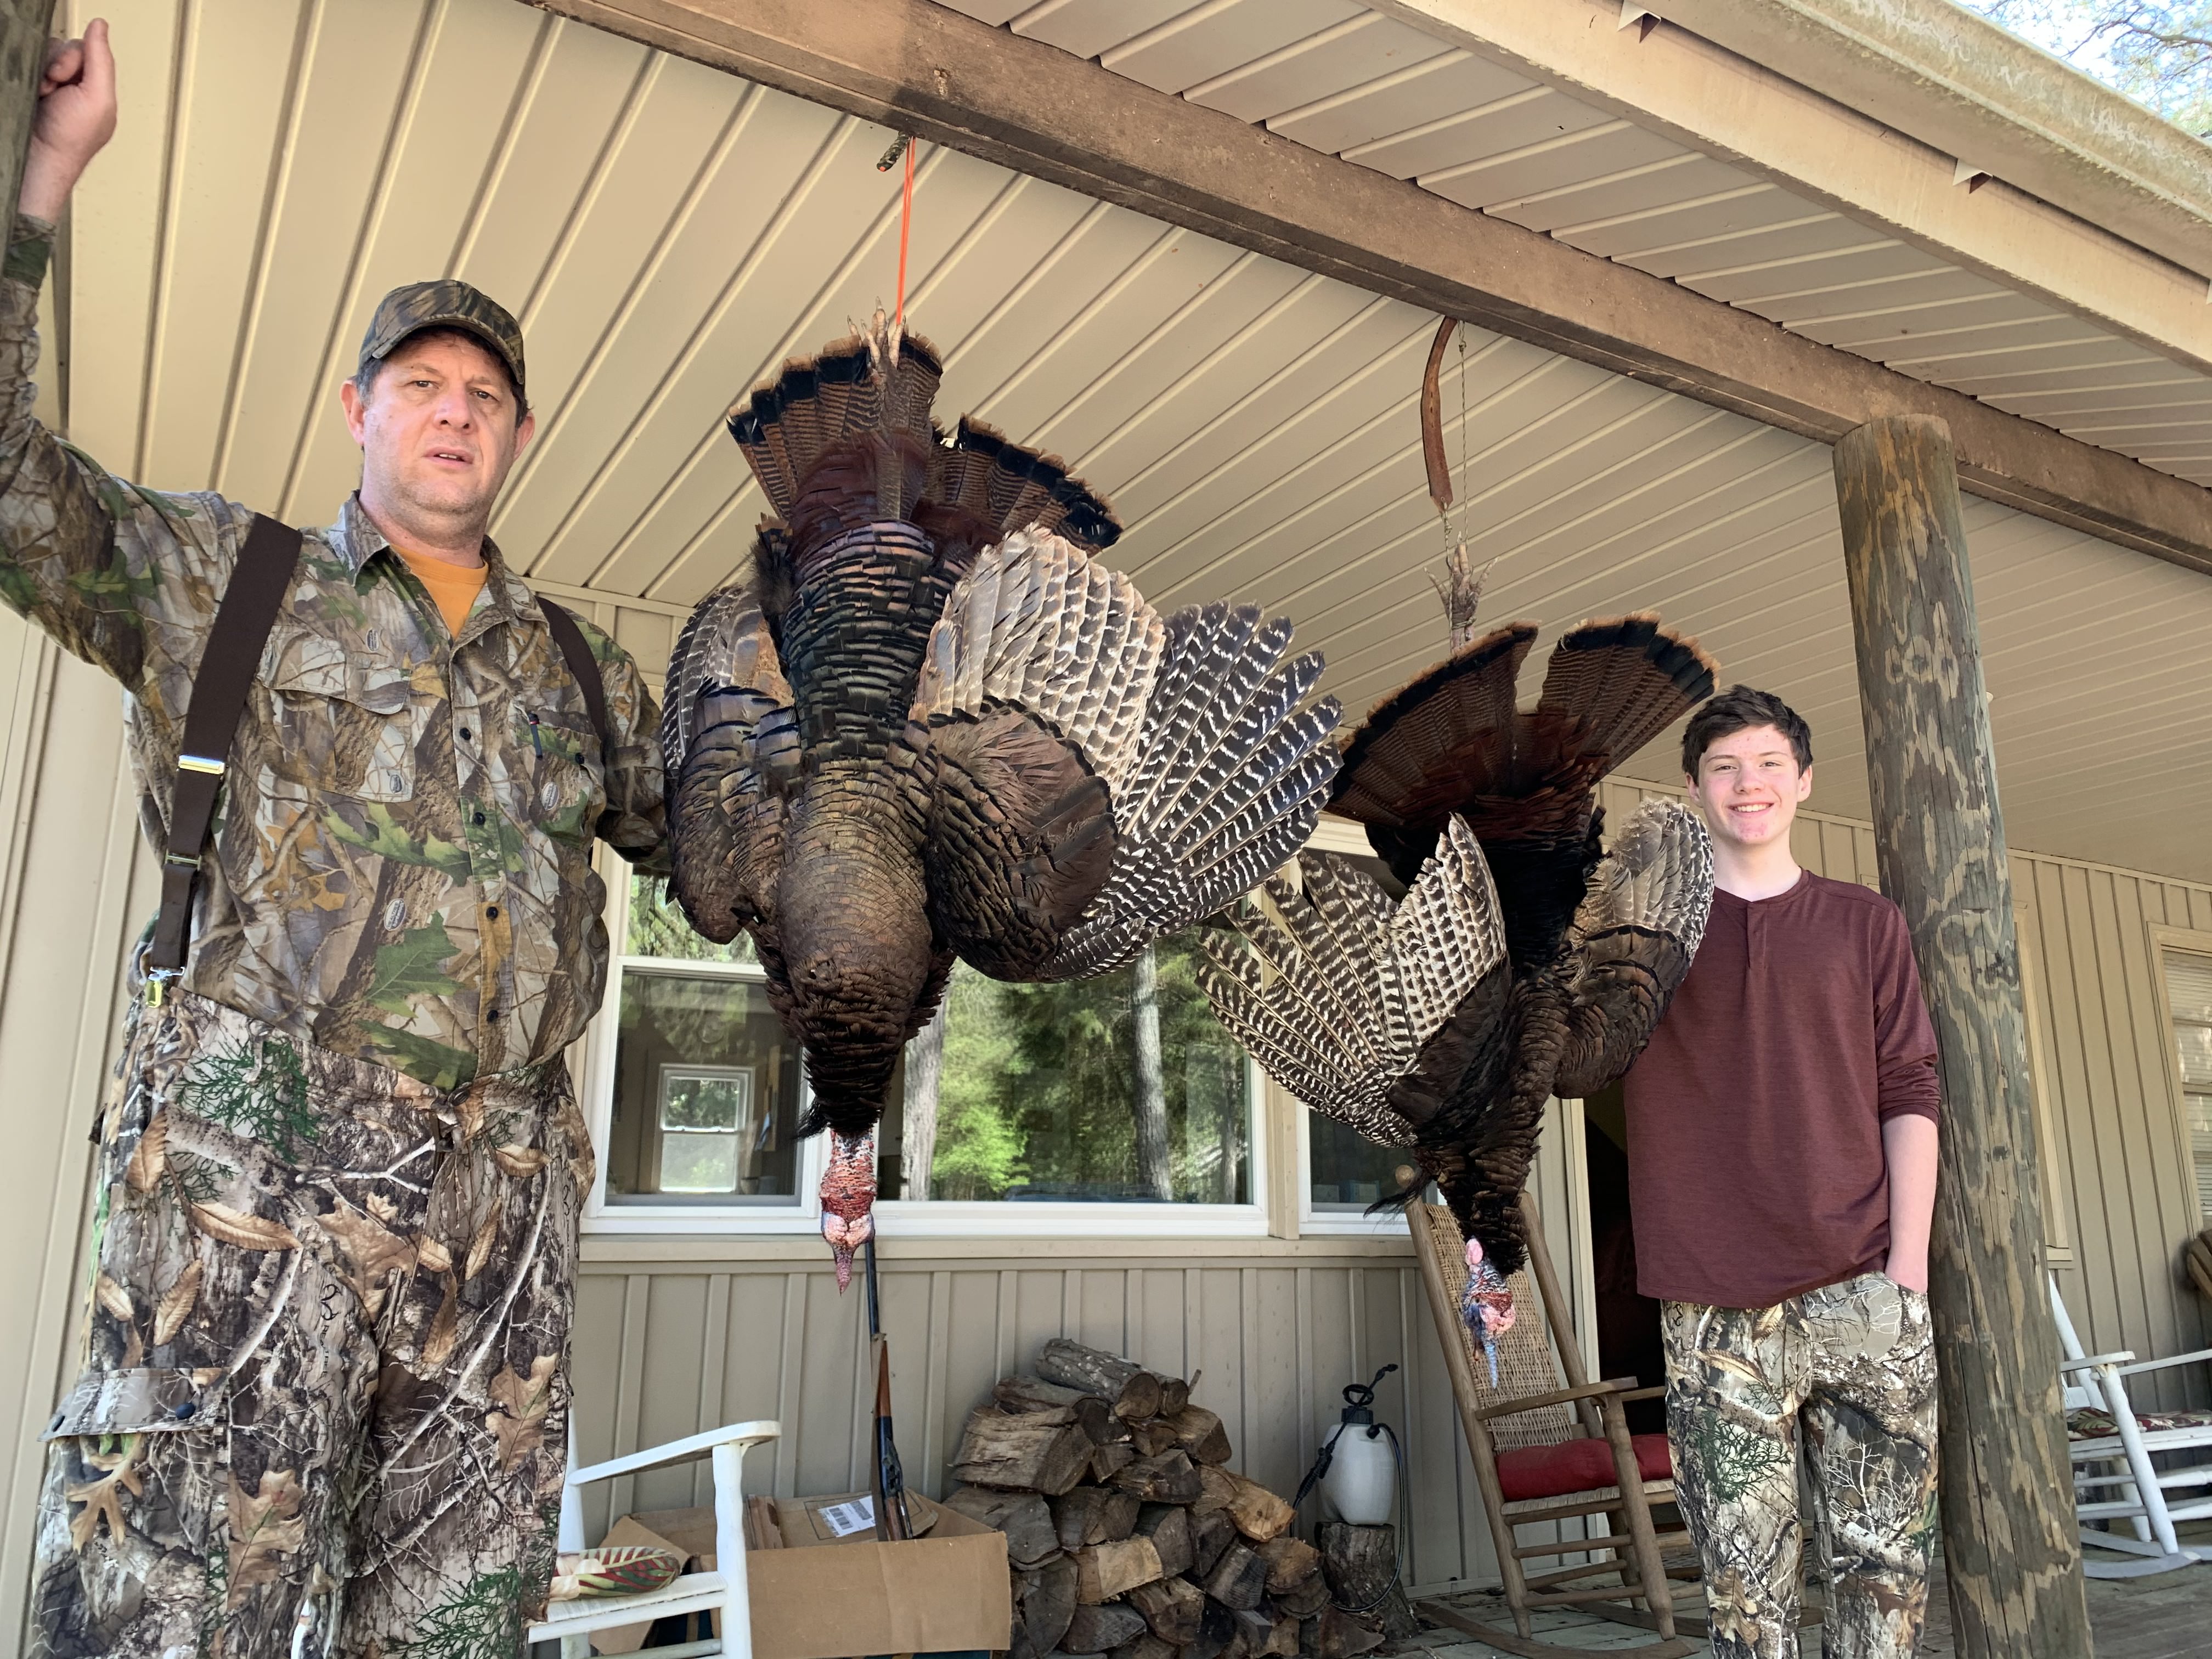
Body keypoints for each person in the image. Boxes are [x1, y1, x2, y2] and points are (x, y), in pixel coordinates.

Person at [10, 22, 668, 1656]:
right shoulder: (220, 582)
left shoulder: (586, 671)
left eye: (487, 398)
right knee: (178, 1604)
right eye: (425, 388)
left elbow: (736, 856)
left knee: (459, 1624)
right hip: (252, 1159)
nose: (455, 417)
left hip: (502, 1197)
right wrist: (49, 182)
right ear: (361, 410)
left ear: (517, 440)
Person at [1622, 685, 1942, 1659]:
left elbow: (1910, 1091)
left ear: (1803, 781)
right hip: (1711, 1304)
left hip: (1866, 1290)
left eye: (1767, 764)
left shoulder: (1864, 924)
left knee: (1884, 1581)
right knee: (1745, 1595)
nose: (1746, 785)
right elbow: (1559, 1055)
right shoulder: (1640, 938)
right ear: (1694, 789)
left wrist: (1909, 1273)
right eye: (1723, 767)